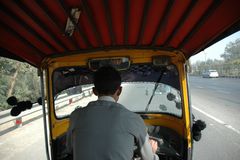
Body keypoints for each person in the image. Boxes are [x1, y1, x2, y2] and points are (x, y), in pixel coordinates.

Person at [66, 66, 159, 160]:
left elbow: (70, 149)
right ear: (119, 90)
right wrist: (153, 152)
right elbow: (148, 158)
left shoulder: (76, 116)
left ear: (94, 91)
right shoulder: (134, 119)